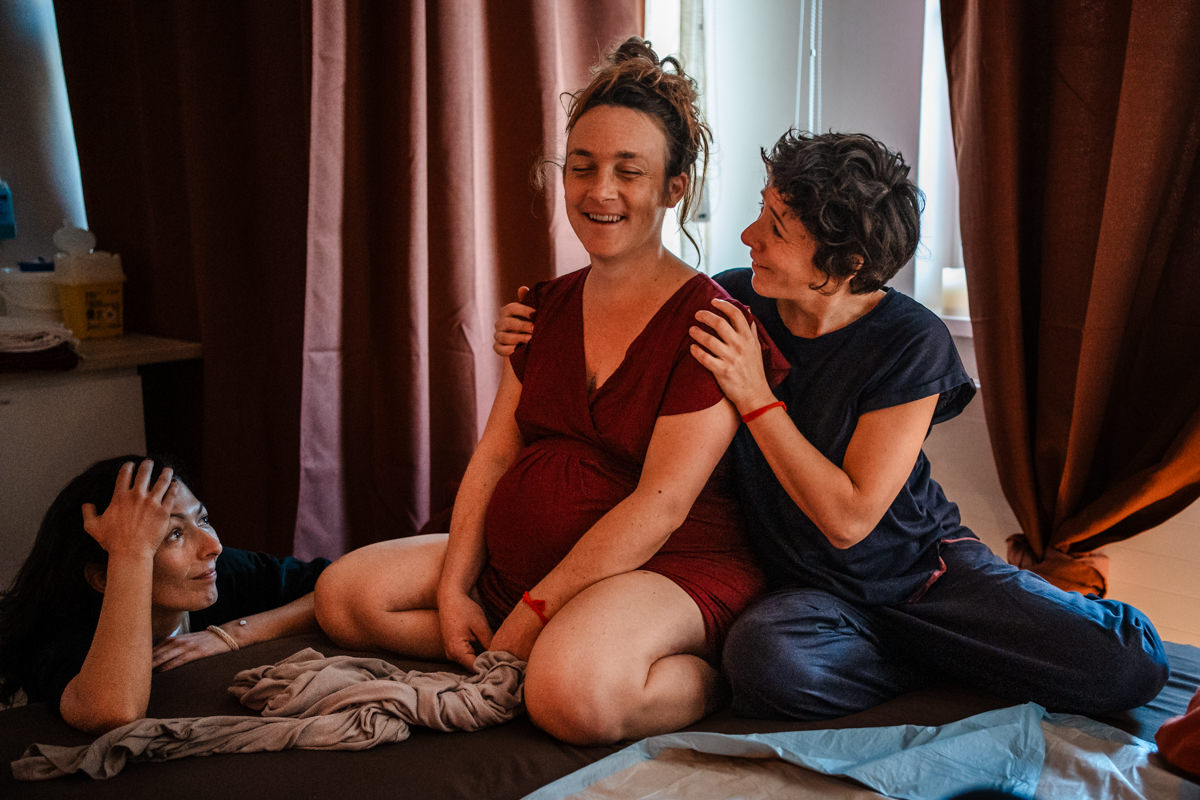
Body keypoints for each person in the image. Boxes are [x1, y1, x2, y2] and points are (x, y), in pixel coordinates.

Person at [495, 129, 1169, 722]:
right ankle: (923, 661)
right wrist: (535, 324)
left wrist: (756, 396)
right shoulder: (734, 299)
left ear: (845, 266)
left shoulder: (911, 341)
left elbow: (849, 520)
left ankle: (945, 642)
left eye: (776, 228)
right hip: (808, 594)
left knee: (1128, 667)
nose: (749, 235)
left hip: (922, 574)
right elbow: (634, 320)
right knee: (762, 664)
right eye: (762, 211)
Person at [313, 37, 784, 746]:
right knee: (345, 596)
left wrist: (533, 613)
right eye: (582, 167)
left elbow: (660, 507)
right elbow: (495, 455)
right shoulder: (541, 308)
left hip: (666, 565)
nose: (600, 191)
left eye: (629, 171)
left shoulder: (709, 324)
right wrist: (454, 590)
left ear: (674, 188)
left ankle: (704, 674)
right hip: (531, 569)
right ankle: (543, 642)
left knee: (570, 700)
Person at [0, 456, 329, 733]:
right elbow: (115, 713)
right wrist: (131, 553)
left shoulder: (217, 571)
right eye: (174, 534)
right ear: (102, 578)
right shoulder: (59, 633)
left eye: (203, 519)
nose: (213, 546)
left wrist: (233, 634)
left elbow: (343, 583)